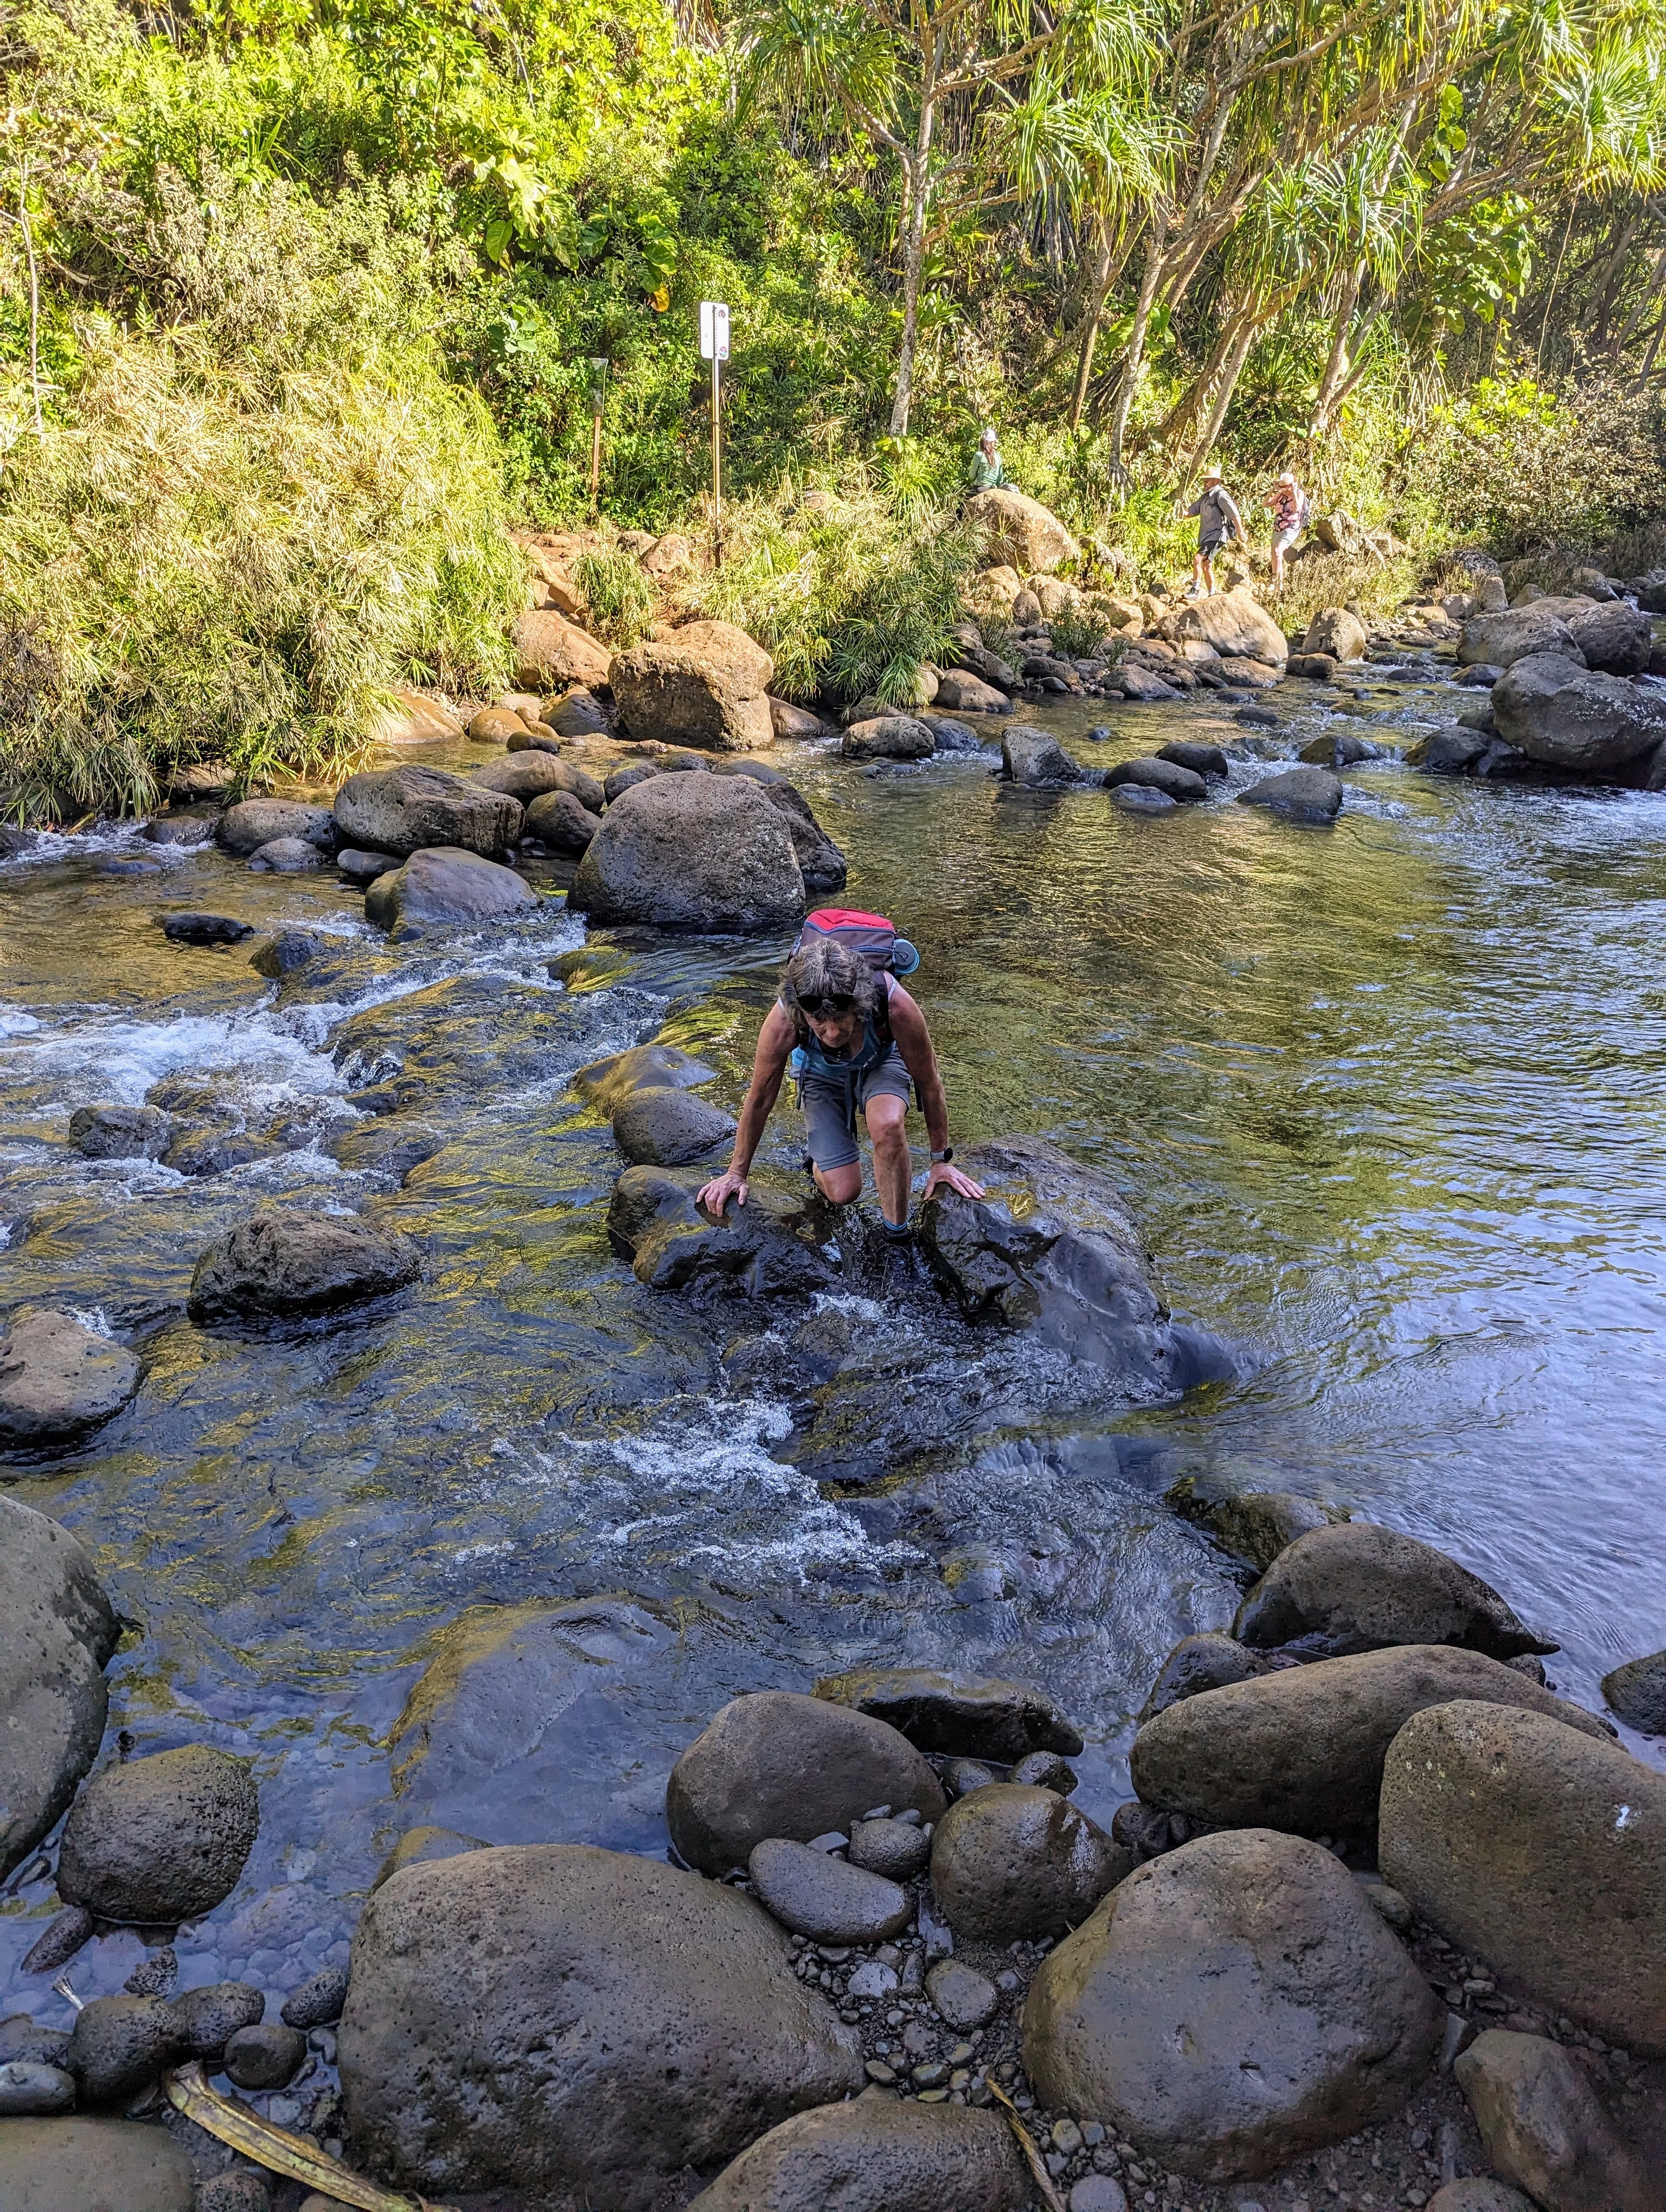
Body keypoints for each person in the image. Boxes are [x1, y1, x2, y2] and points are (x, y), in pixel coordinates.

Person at [696, 931, 984, 1247]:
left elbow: (929, 1082)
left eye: (841, 1019)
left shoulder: (894, 1005)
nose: (831, 1032)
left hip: (881, 1062)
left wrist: (940, 1162)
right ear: (800, 1011)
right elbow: (761, 1096)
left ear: (858, 1004)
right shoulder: (784, 1021)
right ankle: (819, 1163)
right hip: (820, 1074)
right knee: (844, 1192)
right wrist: (736, 1174)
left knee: (887, 1125)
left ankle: (896, 1236)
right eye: (818, 1021)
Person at [1186, 466, 1243, 597]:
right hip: (1206, 536)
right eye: (1205, 480)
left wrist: (1240, 531)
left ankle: (1195, 590)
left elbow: (1234, 513)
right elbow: (1193, 510)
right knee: (1207, 564)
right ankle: (1212, 593)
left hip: (1217, 535)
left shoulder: (1221, 495)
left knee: (1197, 559)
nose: (1205, 483)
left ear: (1216, 481)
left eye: (1208, 480)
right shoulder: (1205, 497)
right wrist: (1182, 512)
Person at [1265, 470, 1309, 591]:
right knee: (1274, 554)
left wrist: (1294, 492)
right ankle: (1274, 579)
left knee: (1278, 551)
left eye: (1286, 487)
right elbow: (1266, 504)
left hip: (1291, 528)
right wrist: (1273, 490)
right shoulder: (1282, 494)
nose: (1284, 489)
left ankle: (1280, 584)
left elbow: (1297, 508)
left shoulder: (1299, 493)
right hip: (1278, 527)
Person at [966, 426, 1011, 492]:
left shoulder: (979, 455)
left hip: (979, 489)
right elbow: (1000, 480)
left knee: (964, 499)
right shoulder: (998, 456)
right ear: (993, 442)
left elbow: (972, 476)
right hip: (993, 488)